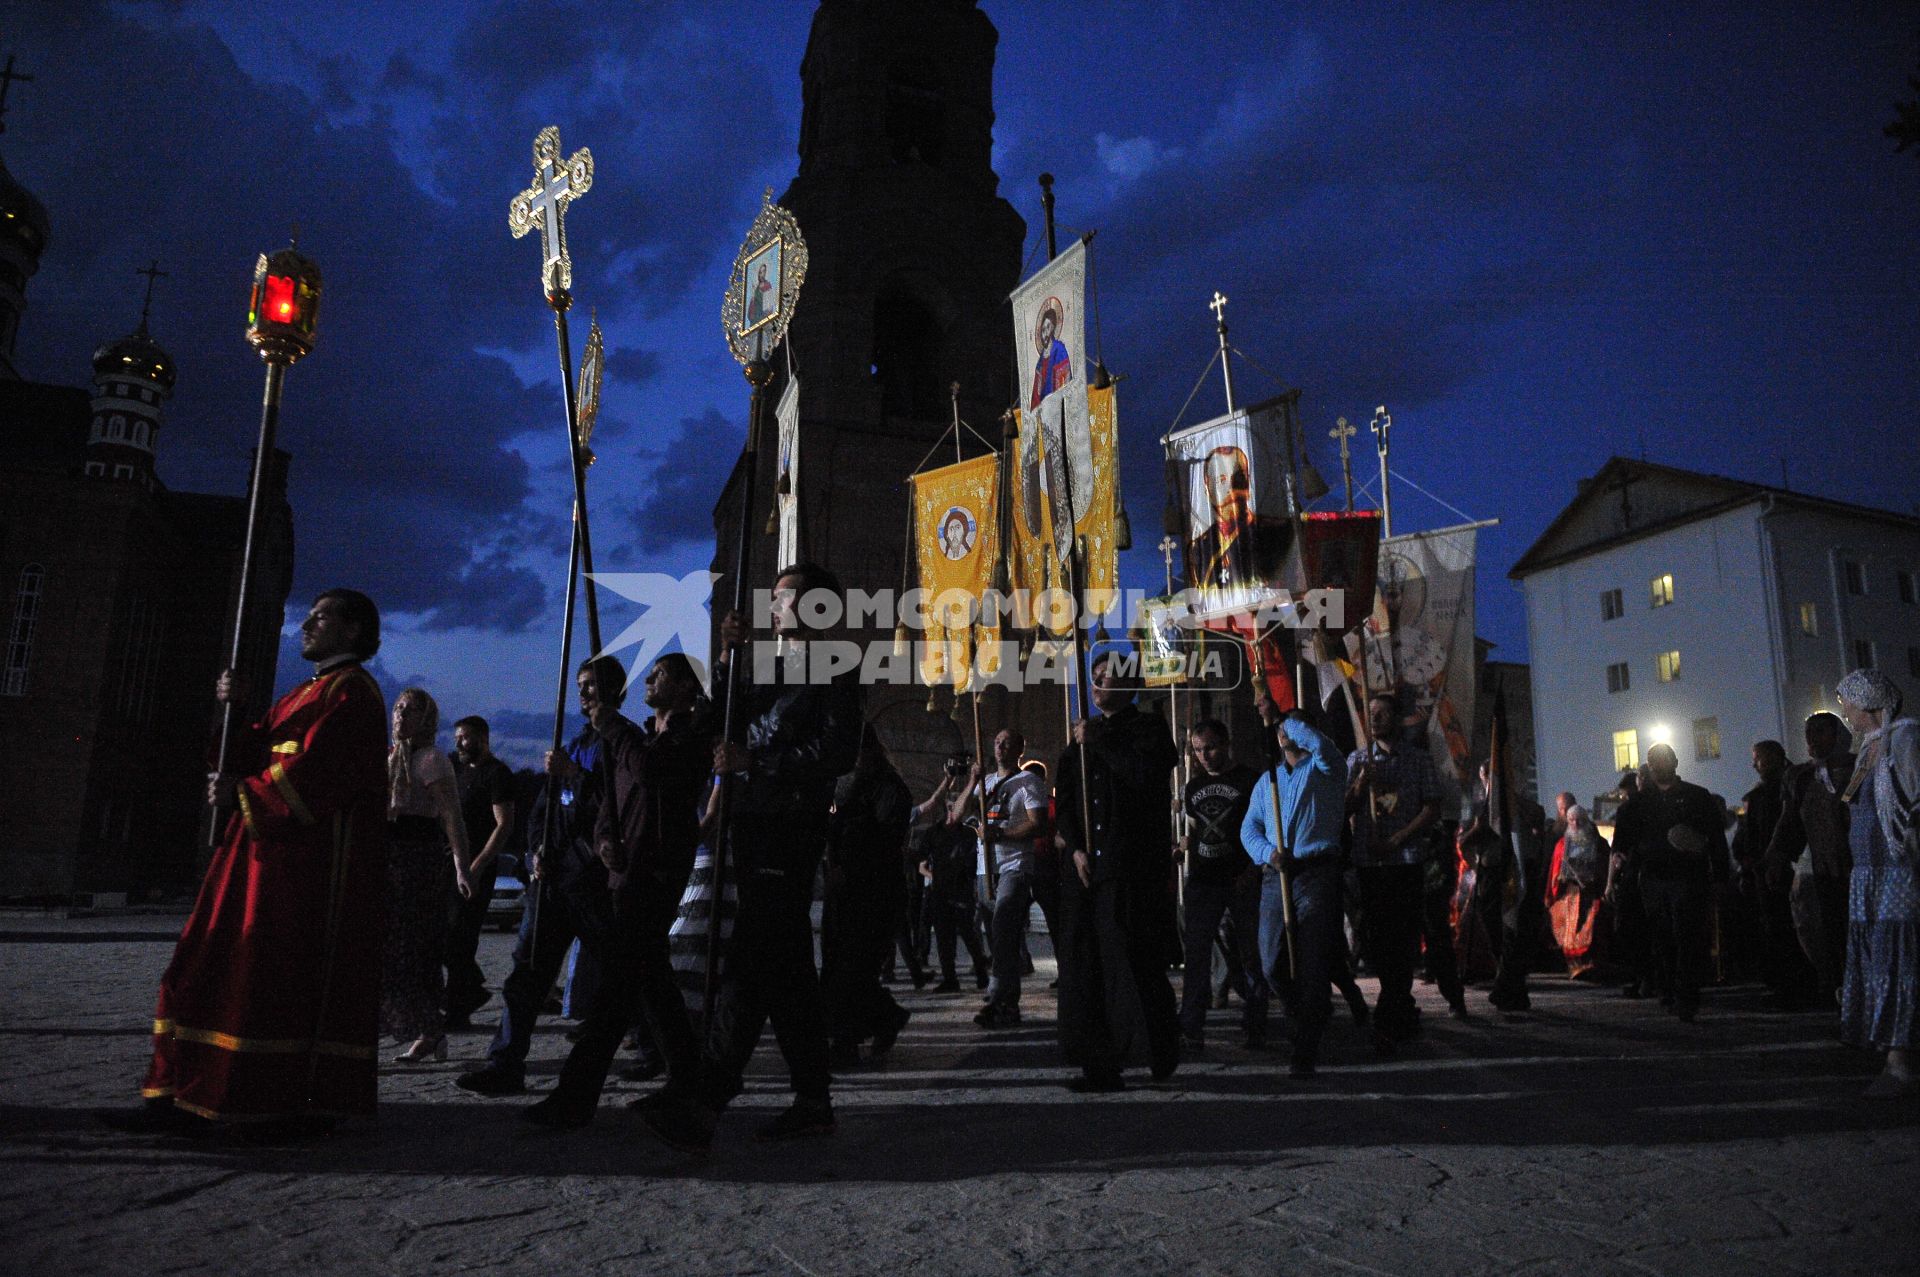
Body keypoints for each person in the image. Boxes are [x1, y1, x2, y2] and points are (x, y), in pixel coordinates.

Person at [102, 589, 388, 1141]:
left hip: (296, 871)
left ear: (352, 630)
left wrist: (243, 791)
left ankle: (257, 1101)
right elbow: (250, 753)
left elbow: (319, 776)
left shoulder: (354, 694)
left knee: (253, 981)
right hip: (253, 858)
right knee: (201, 965)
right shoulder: (299, 694)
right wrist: (234, 708)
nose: (306, 623)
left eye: (321, 616)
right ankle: (178, 1091)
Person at [642, 561, 863, 1150]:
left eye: (786, 599)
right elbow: (715, 725)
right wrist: (726, 659)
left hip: (790, 824)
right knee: (785, 969)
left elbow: (839, 751)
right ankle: (812, 1100)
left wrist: (758, 762)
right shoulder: (762, 666)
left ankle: (708, 1100)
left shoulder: (835, 663)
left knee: (751, 958)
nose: (774, 607)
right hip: (753, 822)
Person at [519, 654, 715, 1127]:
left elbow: (649, 775)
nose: (649, 680)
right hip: (625, 873)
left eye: (660, 675)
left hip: (657, 872)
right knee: (651, 981)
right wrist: (606, 837)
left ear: (687, 687)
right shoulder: (642, 737)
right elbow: (614, 796)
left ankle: (577, 1093)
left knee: (616, 990)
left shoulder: (688, 739)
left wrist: (613, 725)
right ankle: (691, 1079)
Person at [455, 656, 622, 1097]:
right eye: (581, 685)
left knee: (622, 974)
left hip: (592, 882)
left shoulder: (620, 744)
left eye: (592, 686)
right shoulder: (577, 742)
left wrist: (576, 777)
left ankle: (657, 1050)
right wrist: (534, 851)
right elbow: (542, 811)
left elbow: (617, 806)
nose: (584, 693)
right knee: (525, 974)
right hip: (552, 882)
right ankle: (505, 1063)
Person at [1053, 652, 1182, 1093]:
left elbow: (1143, 776)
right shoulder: (1079, 742)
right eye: (1094, 679)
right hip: (1086, 869)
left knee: (1133, 959)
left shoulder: (1147, 729)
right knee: (1085, 963)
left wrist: (1100, 744)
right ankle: (1098, 1062)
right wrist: (1075, 849)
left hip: (1129, 867)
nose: (1097, 686)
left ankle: (1159, 1047)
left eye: (1105, 678)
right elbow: (1067, 804)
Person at [1241, 708, 1349, 1077]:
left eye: (1292, 728)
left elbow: (1321, 746)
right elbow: (1249, 829)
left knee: (1313, 963)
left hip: (1316, 873)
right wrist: (1268, 853)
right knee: (1271, 962)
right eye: (1280, 729)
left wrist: (1284, 719)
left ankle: (1306, 1047)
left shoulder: (1327, 769)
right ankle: (1301, 1011)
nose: (1284, 734)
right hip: (1277, 877)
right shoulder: (1267, 781)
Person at [1833, 669, 1919, 1098]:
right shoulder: (1867, 748)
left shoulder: (1904, 739)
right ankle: (1890, 1049)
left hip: (1896, 872)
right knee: (1878, 959)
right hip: (1867, 875)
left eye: (1847, 700)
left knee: (1899, 959)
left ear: (1867, 703)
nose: (1844, 710)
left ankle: (1902, 1062)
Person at [1346, 693, 1447, 1043]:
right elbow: (1345, 807)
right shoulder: (1358, 759)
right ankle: (1397, 1002)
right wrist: (1361, 781)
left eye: (1383, 713)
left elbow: (1432, 807)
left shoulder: (1418, 760)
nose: (1375, 719)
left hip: (1404, 861)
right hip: (1370, 863)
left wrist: (1399, 839)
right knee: (1377, 938)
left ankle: (1393, 1008)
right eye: (1370, 713)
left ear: (1396, 718)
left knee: (1403, 938)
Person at [383, 688, 472, 1063]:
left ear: (426, 720)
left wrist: (461, 865)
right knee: (389, 949)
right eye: (399, 707)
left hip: (417, 862)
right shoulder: (391, 758)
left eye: (412, 710)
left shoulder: (432, 760)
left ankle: (430, 1031)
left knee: (411, 951)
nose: (402, 714)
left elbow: (451, 815)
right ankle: (425, 1028)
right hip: (387, 858)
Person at [1610, 742, 1728, 1022]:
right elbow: (1622, 843)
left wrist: (1720, 875)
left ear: (1675, 762)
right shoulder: (1638, 804)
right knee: (1662, 937)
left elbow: (1715, 840)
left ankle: (1686, 995)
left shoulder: (1697, 797)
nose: (1659, 765)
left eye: (1663, 760)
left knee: (1687, 935)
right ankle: (1668, 989)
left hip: (1688, 877)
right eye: (1653, 761)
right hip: (1652, 878)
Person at [822, 724, 915, 1063]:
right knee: (841, 969)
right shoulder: (849, 789)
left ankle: (848, 1041)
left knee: (853, 970)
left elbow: (884, 842)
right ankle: (881, 1018)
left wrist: (851, 867)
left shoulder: (891, 790)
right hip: (846, 891)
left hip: (875, 892)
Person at [1177, 718, 1268, 1052]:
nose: (1205, 756)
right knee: (1197, 956)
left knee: (1250, 954)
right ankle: (1191, 1026)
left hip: (1240, 876)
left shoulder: (1250, 781)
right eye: (1199, 749)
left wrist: (1253, 869)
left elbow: (1263, 827)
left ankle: (1256, 1023)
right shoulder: (1193, 787)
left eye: (1211, 747)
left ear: (1227, 743)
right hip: (1203, 879)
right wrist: (1184, 845)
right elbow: (1197, 828)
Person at [1763, 712, 1856, 1007]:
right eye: (1808, 732)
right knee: (1828, 937)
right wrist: (1777, 856)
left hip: (1860, 867)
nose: (1812, 739)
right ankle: (1839, 994)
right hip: (1823, 870)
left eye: (1820, 732)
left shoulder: (1859, 768)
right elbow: (1790, 822)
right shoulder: (1801, 777)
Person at [970, 728, 1051, 1029]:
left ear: (1019, 749)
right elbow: (959, 813)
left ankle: (998, 999)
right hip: (985, 869)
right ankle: (1007, 1001)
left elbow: (1038, 825)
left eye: (1007, 742)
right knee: (997, 937)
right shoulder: (987, 783)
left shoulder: (1028, 782)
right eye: (996, 741)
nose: (1000, 746)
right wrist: (972, 780)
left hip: (1014, 867)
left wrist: (1001, 834)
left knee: (1004, 930)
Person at [1732, 740, 1817, 1007]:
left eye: (1758, 758)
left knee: (1793, 928)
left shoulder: (1793, 786)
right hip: (1766, 870)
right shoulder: (1760, 795)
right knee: (1775, 928)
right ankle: (1784, 984)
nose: (1754, 765)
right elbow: (1747, 836)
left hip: (1791, 868)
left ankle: (1800, 985)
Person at [445, 716, 516, 1029]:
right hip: (451, 864)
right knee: (444, 936)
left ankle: (458, 1011)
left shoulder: (497, 774)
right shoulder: (457, 772)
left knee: (462, 937)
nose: (460, 743)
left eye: (466, 737)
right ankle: (471, 990)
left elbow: (504, 825)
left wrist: (478, 865)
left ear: (483, 739)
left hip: (476, 868)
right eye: (458, 737)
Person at [924, 754, 992, 993]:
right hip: (941, 890)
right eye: (951, 805)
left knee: (969, 935)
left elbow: (973, 859)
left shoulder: (968, 832)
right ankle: (950, 977)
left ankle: (981, 971)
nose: (954, 810)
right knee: (944, 937)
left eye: (957, 805)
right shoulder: (934, 833)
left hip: (962, 889)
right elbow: (923, 858)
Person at [1546, 805, 1610, 979]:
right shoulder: (1562, 843)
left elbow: (1605, 866)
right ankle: (1574, 966)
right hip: (1570, 893)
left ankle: (1590, 964)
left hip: (1591, 892)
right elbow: (1555, 869)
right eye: (1572, 820)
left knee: (1590, 929)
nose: (1575, 823)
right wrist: (1558, 881)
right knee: (1569, 932)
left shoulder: (1599, 843)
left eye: (1579, 820)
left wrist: (1596, 878)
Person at [1029, 301, 1071, 408]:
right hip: (1044, 408)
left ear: (1053, 328)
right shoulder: (1041, 359)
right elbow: (1036, 392)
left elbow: (1065, 379)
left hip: (1056, 405)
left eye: (1048, 327)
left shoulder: (1059, 349)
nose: (1045, 332)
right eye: (1043, 329)